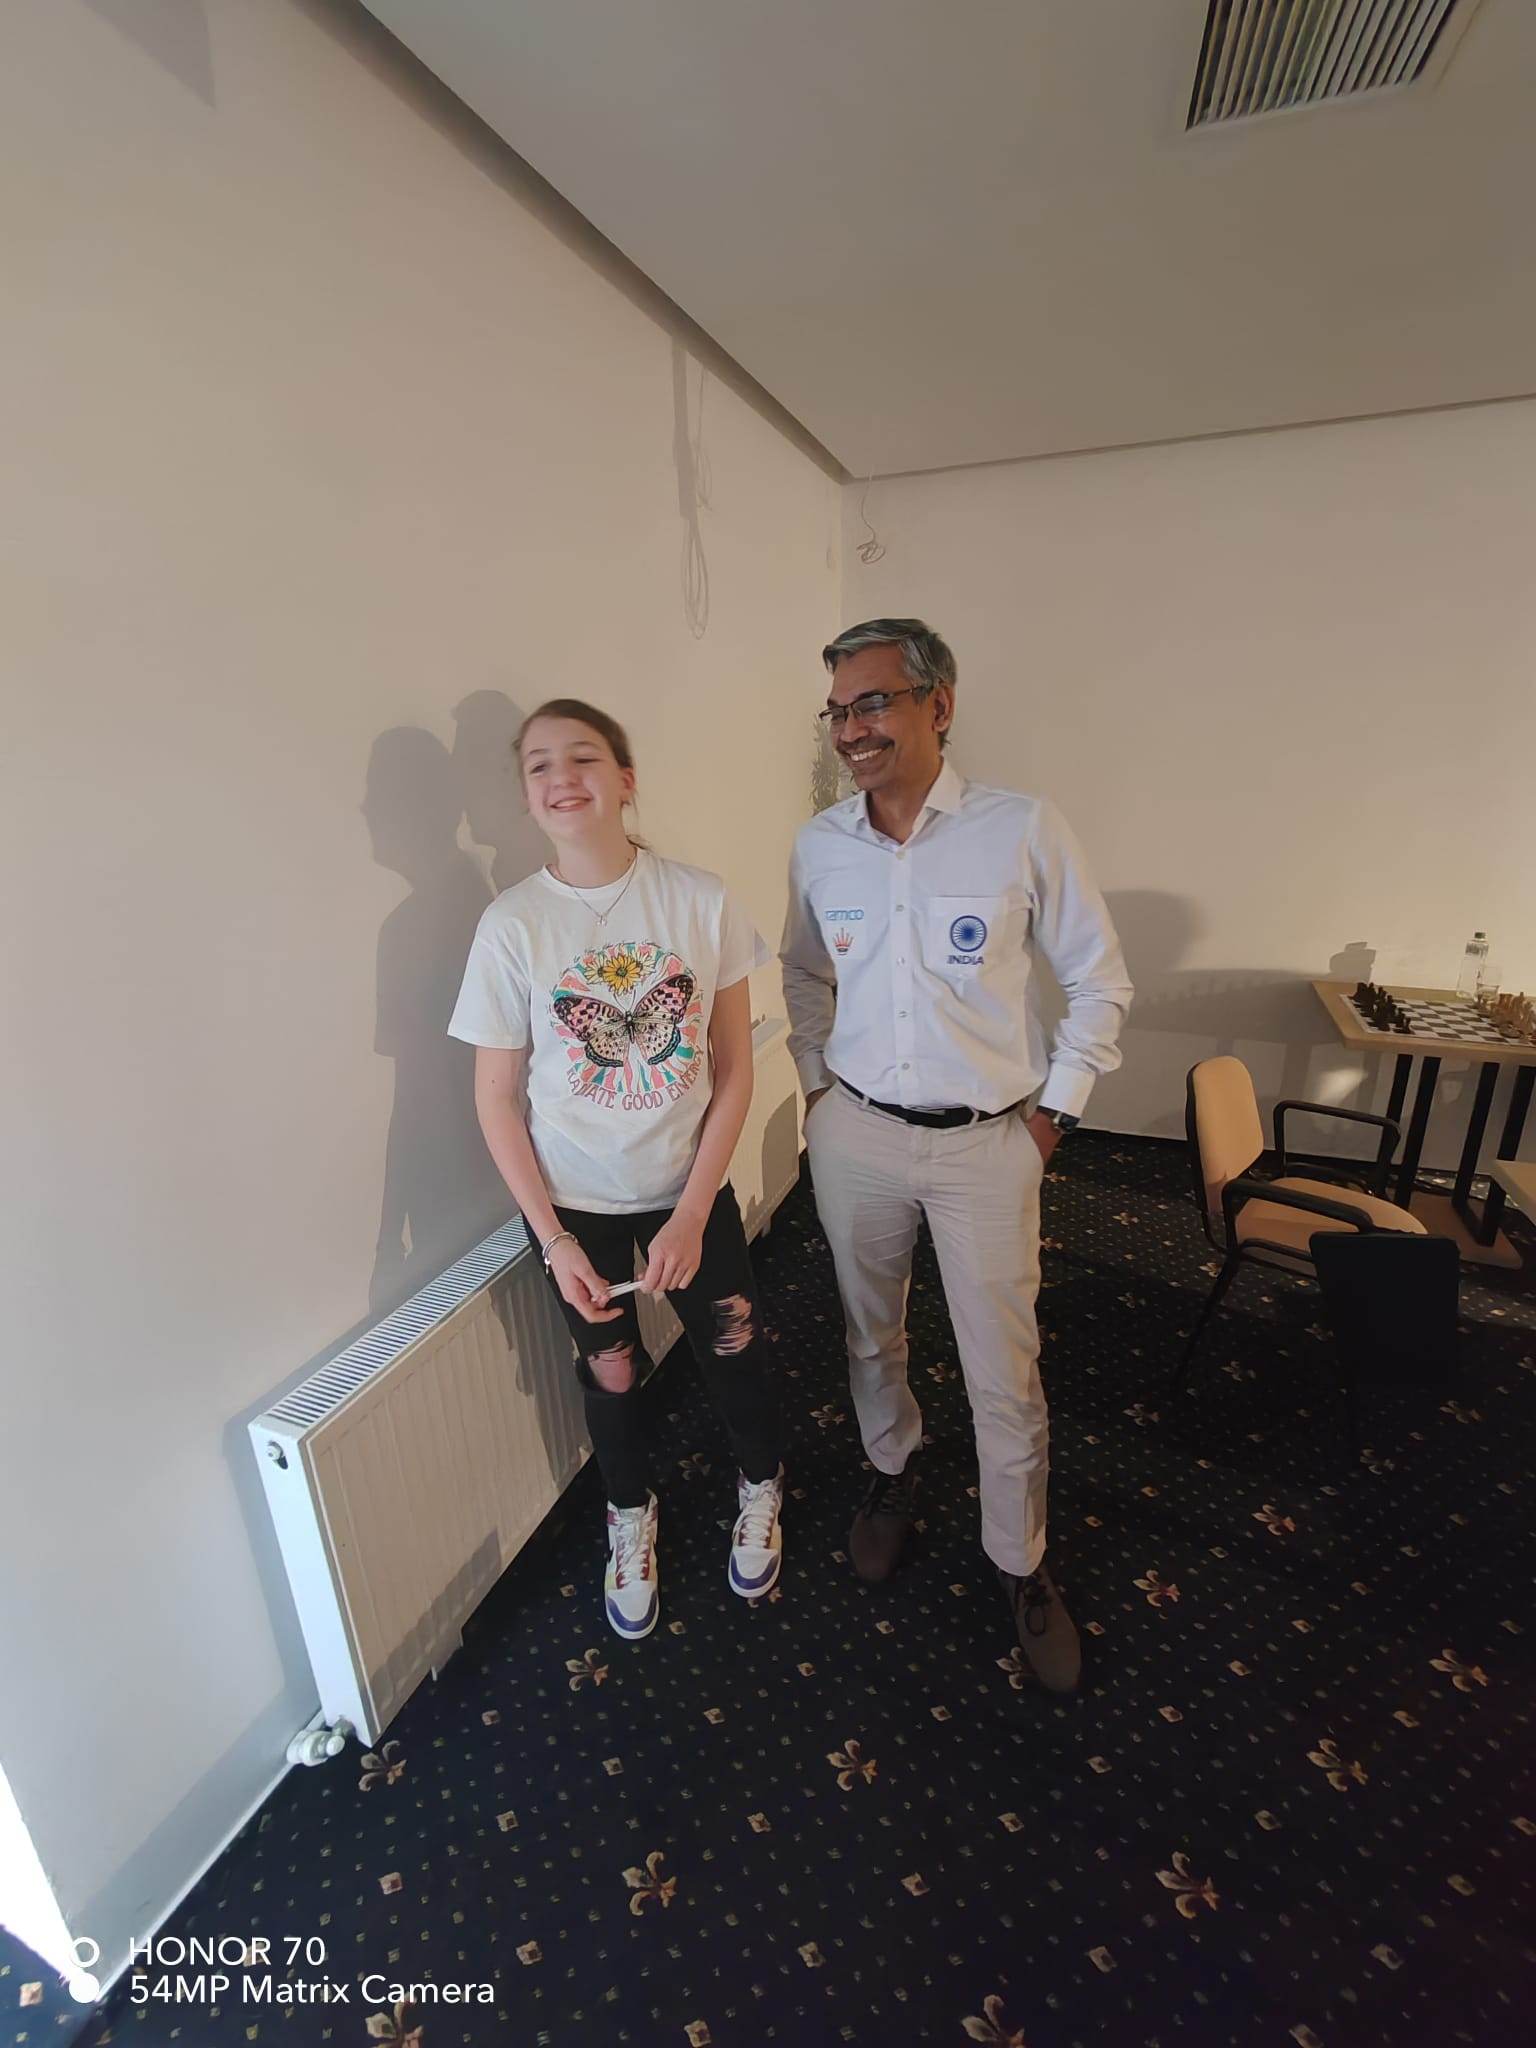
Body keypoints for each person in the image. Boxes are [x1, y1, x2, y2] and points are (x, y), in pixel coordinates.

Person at [780, 620, 1131, 1693]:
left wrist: (1052, 1118)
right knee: (869, 1330)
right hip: (858, 1133)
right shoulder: (820, 845)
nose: (851, 729)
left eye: (873, 702)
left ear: (939, 704)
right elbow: (803, 972)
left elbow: (1100, 981)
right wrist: (819, 1086)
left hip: (988, 1143)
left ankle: (1020, 1559)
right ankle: (892, 1469)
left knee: (1002, 1365)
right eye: (837, 711)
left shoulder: (1020, 828)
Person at [448, 699, 784, 1642]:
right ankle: (629, 1513)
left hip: (688, 1185)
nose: (561, 778)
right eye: (539, 765)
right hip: (573, 1206)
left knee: (733, 1342)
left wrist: (693, 1212)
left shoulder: (700, 900)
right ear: (524, 796)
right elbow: (495, 1100)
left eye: (583, 757)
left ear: (625, 779)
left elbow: (734, 1068)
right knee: (611, 1369)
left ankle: (762, 1482)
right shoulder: (511, 926)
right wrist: (553, 1242)